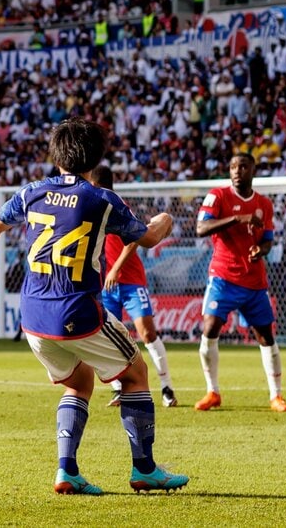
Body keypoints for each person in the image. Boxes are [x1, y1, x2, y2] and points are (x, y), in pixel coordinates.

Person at [0, 118, 188, 496]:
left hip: (33, 317)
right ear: (96, 158)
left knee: (79, 382)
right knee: (136, 373)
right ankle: (145, 469)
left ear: (55, 156)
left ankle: (66, 471)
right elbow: (149, 237)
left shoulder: (31, 193)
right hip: (77, 312)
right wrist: (165, 219)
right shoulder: (101, 199)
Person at [194, 153, 286, 413]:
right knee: (210, 327)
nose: (237, 171)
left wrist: (261, 250)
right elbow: (201, 229)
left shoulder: (264, 204)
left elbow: (267, 240)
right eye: (233, 166)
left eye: (243, 166)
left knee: (265, 335)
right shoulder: (218, 196)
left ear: (253, 170)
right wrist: (237, 219)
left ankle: (276, 396)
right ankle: (212, 391)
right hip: (223, 277)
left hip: (253, 280)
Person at [96, 164, 176, 408]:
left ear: (95, 183)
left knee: (147, 332)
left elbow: (135, 238)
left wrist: (116, 268)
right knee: (107, 336)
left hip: (130, 280)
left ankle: (166, 387)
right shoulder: (90, 206)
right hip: (106, 284)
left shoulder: (116, 205)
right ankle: (118, 389)